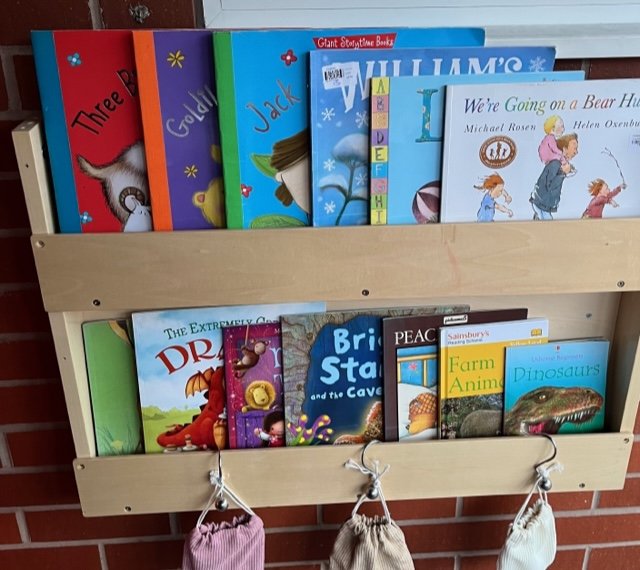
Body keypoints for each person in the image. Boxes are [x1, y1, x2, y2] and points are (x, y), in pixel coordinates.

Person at [530, 133, 579, 220]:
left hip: (543, 204)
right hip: (541, 204)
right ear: (564, 149)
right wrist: (563, 173)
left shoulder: (559, 163)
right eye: (574, 148)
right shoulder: (555, 164)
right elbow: (551, 186)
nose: (576, 152)